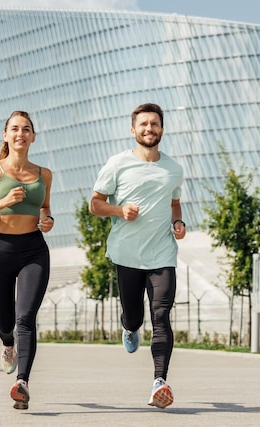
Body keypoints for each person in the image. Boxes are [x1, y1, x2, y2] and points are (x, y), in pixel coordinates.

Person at [89, 103, 185, 409]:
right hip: (127, 255)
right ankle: (130, 328)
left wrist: (178, 222)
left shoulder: (174, 169)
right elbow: (94, 203)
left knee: (161, 316)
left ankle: (160, 381)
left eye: (155, 124)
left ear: (162, 130)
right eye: (143, 124)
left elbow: (174, 203)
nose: (149, 129)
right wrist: (119, 210)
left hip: (162, 255)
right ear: (133, 130)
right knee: (134, 316)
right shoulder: (117, 164)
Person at [0, 111, 54, 410]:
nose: (21, 134)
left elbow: (45, 208)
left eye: (26, 129)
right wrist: (4, 201)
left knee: (25, 317)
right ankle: (7, 344)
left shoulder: (44, 174)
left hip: (34, 251)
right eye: (14, 129)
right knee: (6, 323)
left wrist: (47, 220)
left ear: (33, 136)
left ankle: (23, 383)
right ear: (5, 135)